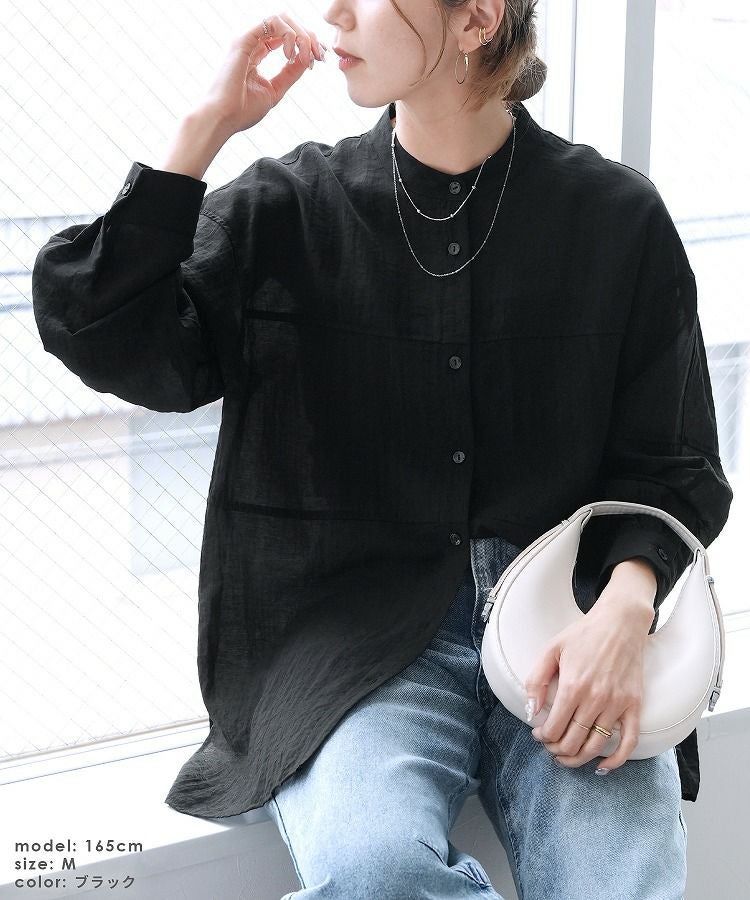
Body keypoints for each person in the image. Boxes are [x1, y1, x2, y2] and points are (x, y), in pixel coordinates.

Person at [31, 1, 733, 897]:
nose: (334, 12)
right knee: (373, 874)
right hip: (354, 645)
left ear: (476, 20)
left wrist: (624, 613)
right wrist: (206, 127)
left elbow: (675, 462)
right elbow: (106, 336)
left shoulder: (615, 219)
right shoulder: (287, 211)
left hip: (573, 630)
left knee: (622, 883)